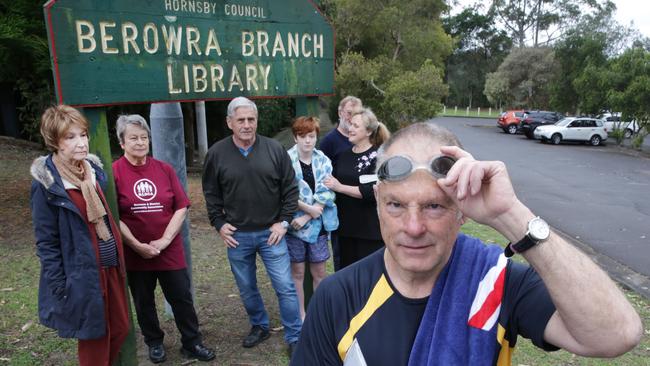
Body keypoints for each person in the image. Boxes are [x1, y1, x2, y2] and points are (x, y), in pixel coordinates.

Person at [291, 123, 643, 365]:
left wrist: (510, 214)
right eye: (397, 205)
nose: (413, 227)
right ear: (379, 204)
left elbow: (616, 335)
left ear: (462, 210)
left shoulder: (498, 285)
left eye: (434, 206)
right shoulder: (337, 297)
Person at [30, 105, 129, 366]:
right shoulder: (48, 185)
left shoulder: (92, 173)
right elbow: (46, 243)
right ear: (56, 142)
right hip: (82, 275)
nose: (81, 143)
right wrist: (60, 286)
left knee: (120, 328)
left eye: (83, 135)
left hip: (110, 268)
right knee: (94, 340)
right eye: (70, 137)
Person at [202, 97, 302, 355]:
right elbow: (211, 193)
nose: (247, 125)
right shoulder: (216, 154)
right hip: (238, 236)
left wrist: (283, 223)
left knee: (285, 287)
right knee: (247, 288)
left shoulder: (274, 150)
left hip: (272, 233)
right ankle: (260, 325)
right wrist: (219, 223)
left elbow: (291, 190)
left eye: (251, 119)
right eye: (241, 120)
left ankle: (295, 335)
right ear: (229, 123)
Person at [112, 115, 215, 363]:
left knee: (181, 297)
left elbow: (181, 206)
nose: (140, 142)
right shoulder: (114, 172)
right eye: (133, 138)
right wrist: (137, 245)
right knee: (143, 300)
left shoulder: (164, 169)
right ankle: (154, 342)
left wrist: (166, 239)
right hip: (135, 252)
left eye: (144, 137)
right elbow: (113, 214)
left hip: (169, 249)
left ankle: (192, 342)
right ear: (122, 143)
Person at [286, 116, 339, 320]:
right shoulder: (286, 160)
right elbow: (286, 192)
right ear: (295, 138)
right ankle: (301, 314)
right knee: (297, 272)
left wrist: (309, 215)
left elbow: (328, 190)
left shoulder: (323, 159)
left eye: (311, 136)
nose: (307, 141)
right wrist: (307, 209)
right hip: (293, 223)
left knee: (319, 271)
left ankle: (319, 315)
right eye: (302, 136)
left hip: (317, 224)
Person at [324, 107, 390, 269]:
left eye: (355, 126)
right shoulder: (343, 155)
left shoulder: (377, 158)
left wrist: (339, 187)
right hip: (344, 229)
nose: (350, 129)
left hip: (368, 232)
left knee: (369, 276)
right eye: (350, 125)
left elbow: (370, 191)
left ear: (368, 132)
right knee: (345, 275)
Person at [319, 96, 361, 271]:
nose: (352, 118)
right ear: (340, 112)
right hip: (340, 208)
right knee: (343, 259)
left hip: (362, 206)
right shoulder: (329, 142)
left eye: (357, 114)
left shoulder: (363, 139)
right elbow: (321, 175)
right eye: (349, 113)